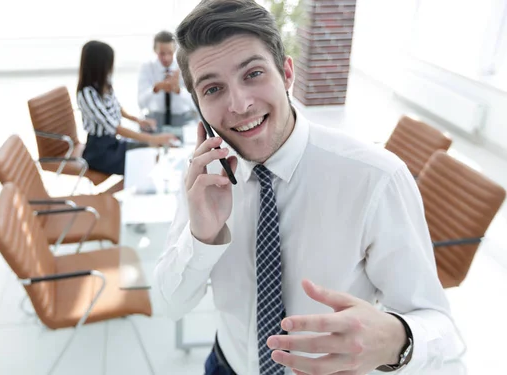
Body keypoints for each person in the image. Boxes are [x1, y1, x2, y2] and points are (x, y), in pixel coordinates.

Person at [154, 1, 460, 375]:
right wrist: (201, 236)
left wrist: (399, 339)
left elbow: (441, 327)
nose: (240, 104)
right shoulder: (205, 178)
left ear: (286, 73)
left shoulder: (375, 178)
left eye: (252, 74)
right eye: (213, 88)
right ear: (199, 107)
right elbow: (171, 306)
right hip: (226, 365)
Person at [77, 40, 178, 192]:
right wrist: (155, 139)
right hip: (99, 151)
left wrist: (138, 120)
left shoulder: (104, 84)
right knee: (144, 160)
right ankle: (103, 197)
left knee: (150, 154)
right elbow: (115, 128)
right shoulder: (86, 94)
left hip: (113, 144)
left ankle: (106, 196)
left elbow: (117, 108)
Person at [137, 30, 198, 132]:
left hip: (183, 120)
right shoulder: (147, 68)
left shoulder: (184, 67)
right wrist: (155, 89)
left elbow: (196, 104)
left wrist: (178, 91)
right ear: (154, 50)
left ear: (175, 50)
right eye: (161, 53)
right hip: (155, 120)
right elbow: (141, 104)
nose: (166, 58)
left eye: (169, 53)